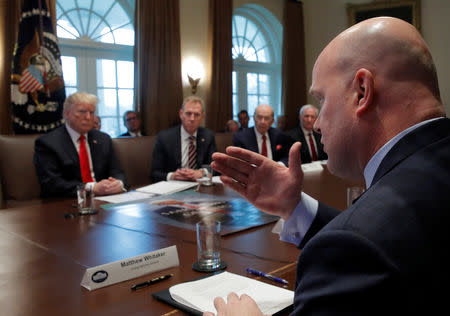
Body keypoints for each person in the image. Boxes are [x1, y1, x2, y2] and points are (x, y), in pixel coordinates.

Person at [207, 17, 449, 316]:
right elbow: (399, 241)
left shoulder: (357, 245)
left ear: (362, 91)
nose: (318, 123)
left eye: (321, 99)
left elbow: (368, 242)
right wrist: (293, 206)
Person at [34, 92, 128, 198]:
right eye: (82, 111)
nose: (88, 117)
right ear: (66, 113)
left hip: (104, 199)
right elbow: (51, 184)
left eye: (91, 112)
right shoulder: (48, 142)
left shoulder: (103, 139)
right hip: (67, 202)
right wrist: (92, 188)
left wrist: (118, 183)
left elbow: (116, 171)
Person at [151, 96, 217, 183]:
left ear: (202, 117)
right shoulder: (164, 137)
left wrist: (201, 172)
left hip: (199, 184)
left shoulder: (208, 136)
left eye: (196, 114)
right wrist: (173, 176)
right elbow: (155, 173)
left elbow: (215, 167)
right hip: (173, 186)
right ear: (181, 114)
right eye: (188, 113)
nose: (192, 119)